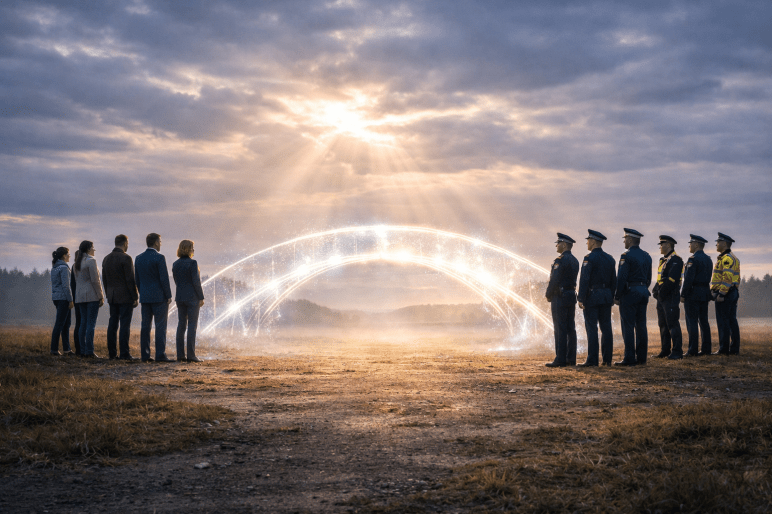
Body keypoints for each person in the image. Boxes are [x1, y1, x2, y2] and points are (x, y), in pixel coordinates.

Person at [577, 230, 616, 367]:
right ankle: (607, 360)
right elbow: (614, 281)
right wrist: (611, 296)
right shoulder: (610, 259)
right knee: (606, 328)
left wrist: (580, 297)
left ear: (593, 242)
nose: (587, 242)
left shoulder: (589, 258)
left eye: (588, 240)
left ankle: (592, 360)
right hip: (606, 296)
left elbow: (584, 280)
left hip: (592, 297)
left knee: (592, 328)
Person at [614, 228, 652, 366]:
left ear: (630, 239)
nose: (624, 241)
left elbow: (621, 278)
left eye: (625, 238)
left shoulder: (626, 256)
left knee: (628, 326)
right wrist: (643, 287)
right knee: (641, 325)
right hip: (643, 291)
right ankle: (642, 358)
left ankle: (629, 358)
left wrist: (617, 296)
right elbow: (649, 278)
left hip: (630, 293)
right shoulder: (647, 256)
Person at [135, 233, 173, 363]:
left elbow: (137, 280)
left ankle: (145, 355)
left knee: (145, 327)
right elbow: (164, 278)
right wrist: (168, 295)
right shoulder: (160, 258)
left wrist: (142, 293)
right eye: (160, 241)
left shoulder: (138, 258)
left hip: (145, 297)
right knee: (160, 326)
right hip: (159, 297)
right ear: (156, 243)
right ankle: (160, 355)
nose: (161, 244)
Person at [102, 234, 139, 360]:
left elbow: (105, 280)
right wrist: (135, 296)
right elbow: (130, 279)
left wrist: (108, 294)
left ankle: (112, 353)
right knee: (124, 325)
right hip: (125, 296)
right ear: (125, 243)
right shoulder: (126, 258)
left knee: (112, 324)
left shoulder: (106, 259)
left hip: (112, 296)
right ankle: (124, 353)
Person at [545, 233, 579, 368]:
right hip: (571, 295)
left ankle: (560, 359)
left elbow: (554, 280)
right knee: (571, 328)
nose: (556, 245)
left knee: (560, 328)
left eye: (558, 243)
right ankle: (571, 358)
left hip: (560, 296)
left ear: (564, 245)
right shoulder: (575, 260)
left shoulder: (560, 260)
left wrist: (548, 294)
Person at [172, 240, 205, 362]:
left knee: (181, 325)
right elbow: (196, 282)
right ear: (188, 249)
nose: (194, 250)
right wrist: (201, 297)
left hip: (180, 298)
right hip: (192, 298)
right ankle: (191, 355)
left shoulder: (175, 264)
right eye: (192, 248)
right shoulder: (193, 263)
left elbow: (176, 281)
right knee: (192, 325)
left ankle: (180, 355)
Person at [680, 234, 713, 356]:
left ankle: (692, 350)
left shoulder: (693, 259)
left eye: (691, 243)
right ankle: (706, 349)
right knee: (704, 321)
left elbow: (688, 279)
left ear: (697, 245)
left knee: (692, 321)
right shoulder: (708, 259)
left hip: (693, 293)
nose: (689, 245)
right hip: (704, 292)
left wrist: (683, 294)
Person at [652, 235, 684, 360]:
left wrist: (661, 293)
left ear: (669, 245)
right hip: (662, 297)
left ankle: (677, 351)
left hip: (670, 296)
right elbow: (660, 279)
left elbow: (671, 280)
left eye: (662, 244)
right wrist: (656, 290)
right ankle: (665, 350)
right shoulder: (663, 260)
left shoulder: (676, 260)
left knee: (672, 324)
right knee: (663, 324)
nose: (660, 246)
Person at [73, 240, 104, 358]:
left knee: (83, 324)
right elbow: (95, 280)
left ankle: (82, 350)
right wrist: (100, 296)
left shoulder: (76, 263)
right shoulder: (91, 261)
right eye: (93, 247)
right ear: (89, 249)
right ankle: (89, 351)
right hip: (91, 295)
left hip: (80, 297)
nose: (94, 250)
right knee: (91, 324)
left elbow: (77, 281)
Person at [712, 232, 741, 355]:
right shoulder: (733, 258)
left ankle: (724, 349)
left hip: (726, 293)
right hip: (732, 292)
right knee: (732, 321)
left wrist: (722, 294)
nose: (716, 245)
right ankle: (734, 349)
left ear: (724, 244)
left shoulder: (727, 259)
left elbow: (727, 277)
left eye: (718, 242)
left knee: (723, 321)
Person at [50, 247, 74, 356]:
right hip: (64, 298)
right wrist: (71, 299)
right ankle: (54, 350)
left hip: (56, 298)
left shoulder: (54, 267)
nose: (69, 256)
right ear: (64, 255)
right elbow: (66, 286)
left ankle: (67, 349)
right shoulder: (64, 268)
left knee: (65, 324)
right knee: (60, 324)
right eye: (68, 254)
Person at [70, 250, 82, 356]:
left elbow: (72, 285)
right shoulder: (80, 266)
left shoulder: (74, 266)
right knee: (82, 323)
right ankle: (81, 349)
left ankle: (78, 349)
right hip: (82, 298)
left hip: (76, 298)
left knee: (78, 323)